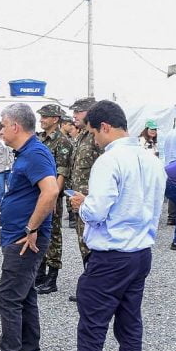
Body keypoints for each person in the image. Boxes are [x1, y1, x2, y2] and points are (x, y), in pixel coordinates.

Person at [30, 100, 166, 351]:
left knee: (92, 331)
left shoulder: (109, 161)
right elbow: (156, 212)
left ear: (105, 126)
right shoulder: (152, 160)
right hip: (140, 254)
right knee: (130, 328)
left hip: (110, 257)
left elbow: (96, 211)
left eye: (93, 133)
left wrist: (81, 203)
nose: (93, 140)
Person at [0, 104, 57, 351]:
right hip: (18, 235)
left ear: (16, 127)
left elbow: (51, 191)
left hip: (24, 239)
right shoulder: (28, 152)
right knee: (25, 296)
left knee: (8, 298)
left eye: (3, 123)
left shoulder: (34, 153)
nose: (0, 129)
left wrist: (32, 227)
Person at [34, 104, 73, 295]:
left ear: (55, 119)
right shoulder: (41, 139)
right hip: (40, 192)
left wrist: (54, 197)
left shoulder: (62, 142)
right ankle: (39, 272)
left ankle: (52, 276)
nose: (41, 119)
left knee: (54, 234)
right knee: (39, 230)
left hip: (52, 194)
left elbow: (62, 172)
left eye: (45, 117)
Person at [67, 97, 100, 302]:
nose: (74, 116)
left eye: (78, 112)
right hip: (79, 199)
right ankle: (90, 285)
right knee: (84, 242)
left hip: (92, 199)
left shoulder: (97, 137)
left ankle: (95, 289)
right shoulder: (81, 136)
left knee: (93, 242)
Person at [0, 122, 14, 200]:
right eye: (2, 127)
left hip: (9, 168)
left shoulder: (10, 139)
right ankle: (1, 205)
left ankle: (9, 206)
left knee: (11, 189)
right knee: (1, 190)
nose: (3, 130)